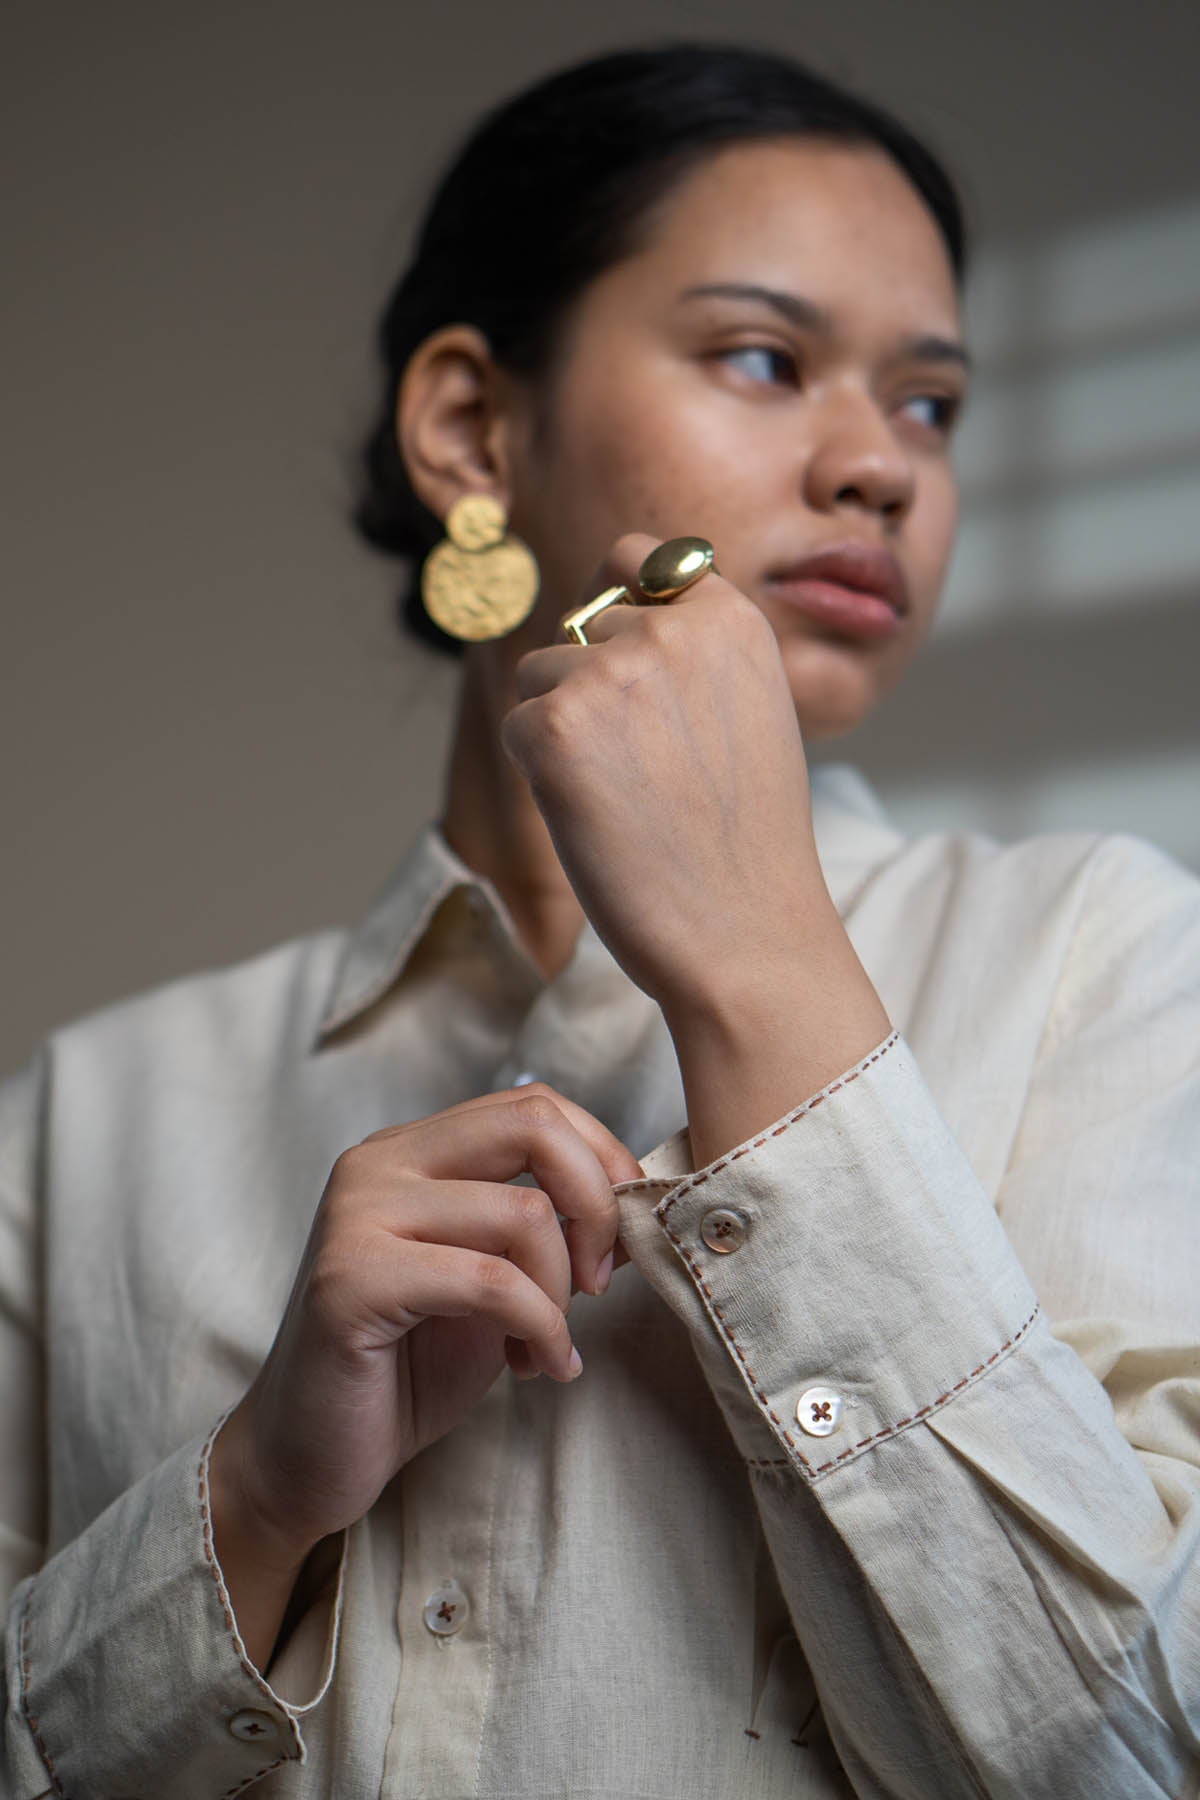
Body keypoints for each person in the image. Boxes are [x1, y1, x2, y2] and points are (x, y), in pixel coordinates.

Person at [2, 40, 1197, 1800]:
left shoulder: (1109, 957)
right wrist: (248, 1504)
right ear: (473, 426)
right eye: (765, 358)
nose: (882, 467)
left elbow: (1140, 1762)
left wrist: (765, 973)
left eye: (932, 401)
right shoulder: (85, 1119)